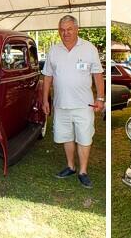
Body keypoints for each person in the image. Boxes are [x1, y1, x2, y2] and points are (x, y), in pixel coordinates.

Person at [42, 15, 105, 189]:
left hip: (84, 105)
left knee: (84, 138)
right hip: (61, 104)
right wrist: (45, 100)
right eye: (62, 30)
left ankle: (83, 171)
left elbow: (97, 74)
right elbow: (47, 76)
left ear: (77, 29)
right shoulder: (53, 50)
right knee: (66, 136)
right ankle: (71, 166)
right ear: (58, 31)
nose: (66, 33)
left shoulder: (89, 48)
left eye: (69, 29)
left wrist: (100, 98)